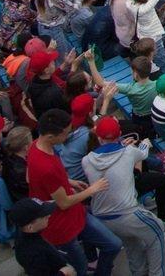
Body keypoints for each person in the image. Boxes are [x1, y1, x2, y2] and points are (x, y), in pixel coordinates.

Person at [27, 109, 122, 276]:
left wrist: (68, 182)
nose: (68, 136)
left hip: (76, 213)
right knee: (80, 267)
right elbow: (63, 203)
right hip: (61, 225)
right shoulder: (45, 166)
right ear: (51, 136)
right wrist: (92, 189)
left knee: (113, 244)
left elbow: (31, 178)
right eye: (65, 134)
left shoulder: (37, 146)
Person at [81, 116, 165, 276]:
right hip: (127, 212)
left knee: (132, 243)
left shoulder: (86, 160)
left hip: (102, 216)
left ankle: (139, 273)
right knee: (157, 229)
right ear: (119, 135)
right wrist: (144, 143)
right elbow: (142, 154)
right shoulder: (128, 152)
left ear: (99, 138)